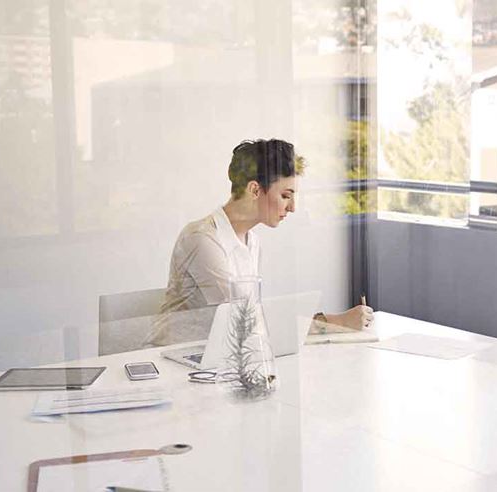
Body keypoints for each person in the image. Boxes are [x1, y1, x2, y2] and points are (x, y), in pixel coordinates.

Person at [144, 138, 373, 346]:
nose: (292, 208)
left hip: (219, 357)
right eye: (286, 195)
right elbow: (244, 323)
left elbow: (252, 323)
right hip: (171, 361)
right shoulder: (201, 239)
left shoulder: (251, 243)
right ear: (255, 189)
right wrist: (335, 322)